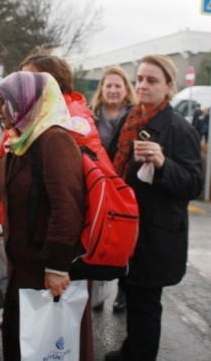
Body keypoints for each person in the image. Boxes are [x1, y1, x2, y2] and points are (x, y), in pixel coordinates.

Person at [105, 55, 203, 361]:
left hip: (156, 233)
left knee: (146, 301)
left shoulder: (178, 128)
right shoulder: (129, 118)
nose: (143, 86)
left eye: (152, 80)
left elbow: (193, 185)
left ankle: (139, 355)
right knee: (133, 293)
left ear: (169, 87)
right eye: (140, 79)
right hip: (126, 225)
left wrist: (163, 164)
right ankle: (131, 350)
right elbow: (110, 165)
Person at [0, 71, 93, 361]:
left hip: (43, 272)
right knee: (20, 343)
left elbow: (67, 206)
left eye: (6, 102)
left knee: (42, 348)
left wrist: (57, 266)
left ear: (28, 103)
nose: (1, 109)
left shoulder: (54, 140)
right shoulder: (23, 140)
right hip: (22, 269)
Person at [90, 65, 137, 313]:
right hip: (99, 186)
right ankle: (97, 292)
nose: (113, 90)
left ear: (126, 89)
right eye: (108, 85)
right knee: (99, 238)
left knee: (124, 240)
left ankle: (123, 291)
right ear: (102, 89)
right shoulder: (91, 116)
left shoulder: (133, 117)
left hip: (124, 186)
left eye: (118, 85)